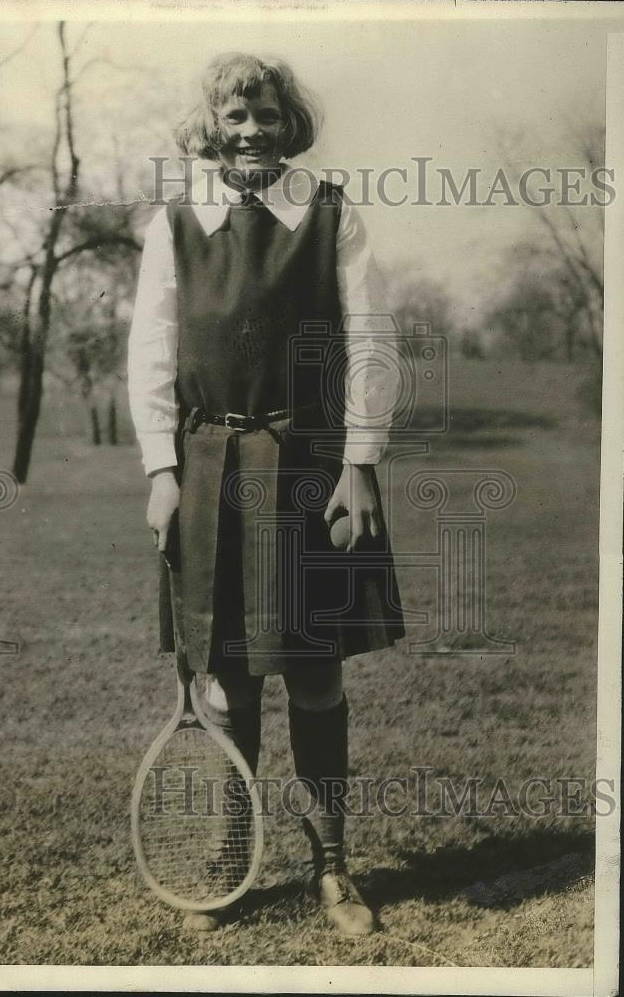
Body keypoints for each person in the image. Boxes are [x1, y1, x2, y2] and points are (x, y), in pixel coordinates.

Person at [128, 52, 405, 936]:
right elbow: (151, 353)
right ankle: (233, 862)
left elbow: (370, 338)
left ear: (292, 125)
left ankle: (333, 869)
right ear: (212, 126)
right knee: (229, 685)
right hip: (207, 470)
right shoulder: (173, 222)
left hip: (311, 471)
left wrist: (359, 463)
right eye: (235, 118)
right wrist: (161, 473)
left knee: (315, 676)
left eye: (268, 117)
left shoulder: (331, 214)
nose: (252, 133)